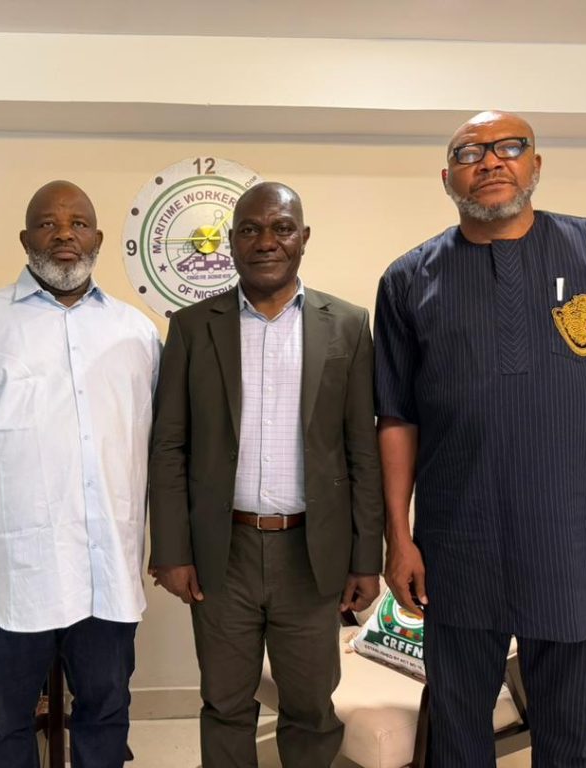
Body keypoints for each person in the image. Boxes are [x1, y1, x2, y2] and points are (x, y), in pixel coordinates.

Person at [375, 110, 586, 767]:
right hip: (457, 546)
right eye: (471, 152)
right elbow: (396, 419)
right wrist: (399, 538)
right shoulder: (409, 280)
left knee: (569, 742)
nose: (490, 161)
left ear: (536, 164)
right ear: (448, 177)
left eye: (509, 147)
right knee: (460, 741)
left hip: (569, 543)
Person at [0, 180, 160, 768]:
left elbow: (163, 450)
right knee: (2, 723)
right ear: (26, 239)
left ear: (99, 238)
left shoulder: (137, 335)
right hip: (10, 575)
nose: (65, 234)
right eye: (49, 223)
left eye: (79, 223)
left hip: (107, 572)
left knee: (105, 715)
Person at [149, 181, 384, 767]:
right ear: (231, 242)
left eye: (281, 228)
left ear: (303, 238)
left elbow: (362, 451)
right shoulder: (194, 326)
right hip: (220, 551)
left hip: (312, 552)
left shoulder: (348, 326)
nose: (266, 241)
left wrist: (365, 558)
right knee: (226, 702)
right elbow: (170, 446)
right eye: (250, 229)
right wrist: (172, 550)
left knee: (310, 707)